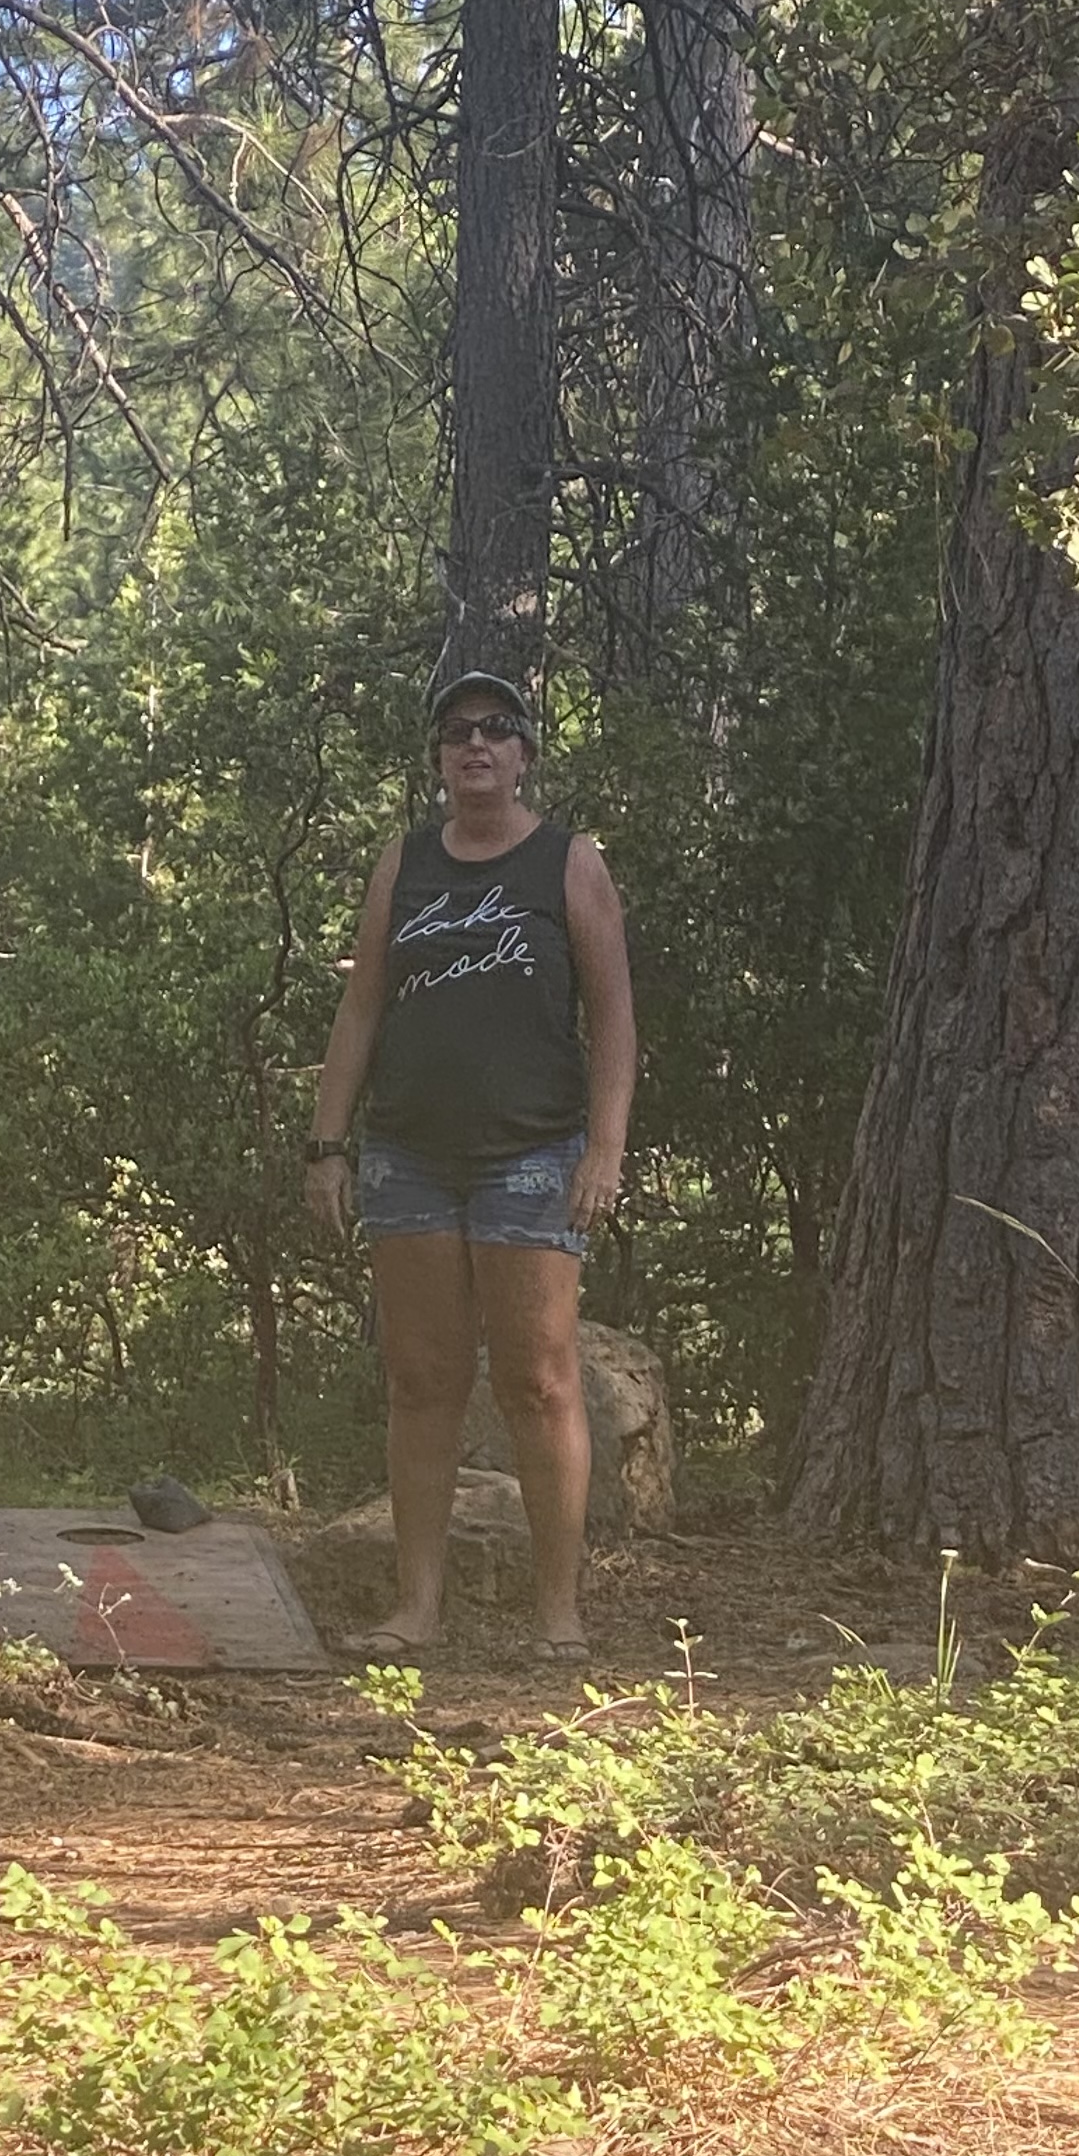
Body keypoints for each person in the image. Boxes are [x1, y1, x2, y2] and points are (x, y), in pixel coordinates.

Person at [305, 672, 635, 1659]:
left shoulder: (567, 863)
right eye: (457, 733)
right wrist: (327, 1143)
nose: (475, 745)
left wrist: (606, 1150)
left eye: (496, 729)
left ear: (524, 753)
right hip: (409, 1156)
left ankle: (557, 1615)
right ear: (439, 759)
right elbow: (362, 1006)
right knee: (422, 1380)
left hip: (533, 1155)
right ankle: (416, 1608)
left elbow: (615, 1017)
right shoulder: (403, 864)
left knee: (539, 1380)